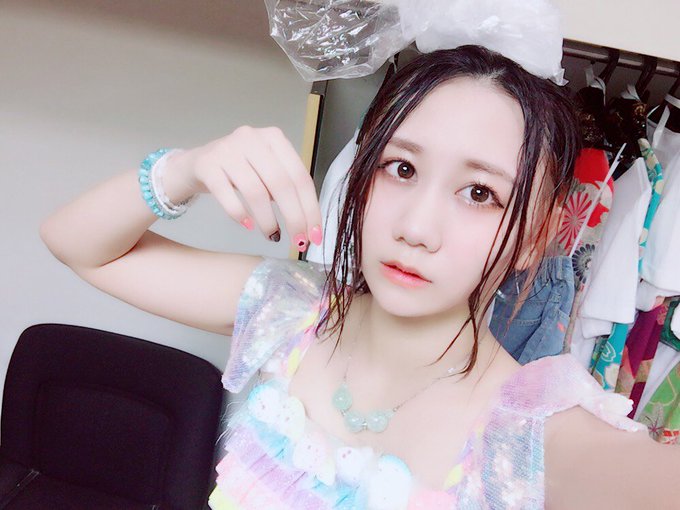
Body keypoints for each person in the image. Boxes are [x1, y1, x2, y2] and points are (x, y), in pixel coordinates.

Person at [40, 45, 678, 509]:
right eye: (402, 169)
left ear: (534, 238)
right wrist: (184, 168)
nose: (417, 228)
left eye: (480, 193)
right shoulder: (292, 310)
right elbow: (81, 247)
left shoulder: (532, 437)